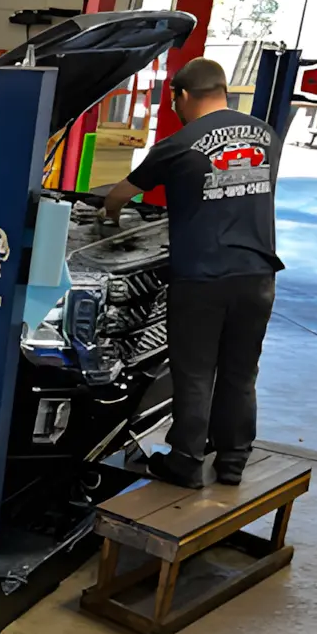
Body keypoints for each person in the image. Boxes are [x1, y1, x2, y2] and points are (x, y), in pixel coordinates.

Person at [102, 57, 283, 489]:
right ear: (223, 90)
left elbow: (120, 196)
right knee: (241, 372)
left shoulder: (179, 143)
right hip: (258, 275)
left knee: (195, 372)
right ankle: (233, 460)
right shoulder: (266, 135)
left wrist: (107, 218)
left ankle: (185, 460)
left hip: (202, 277)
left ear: (181, 96)